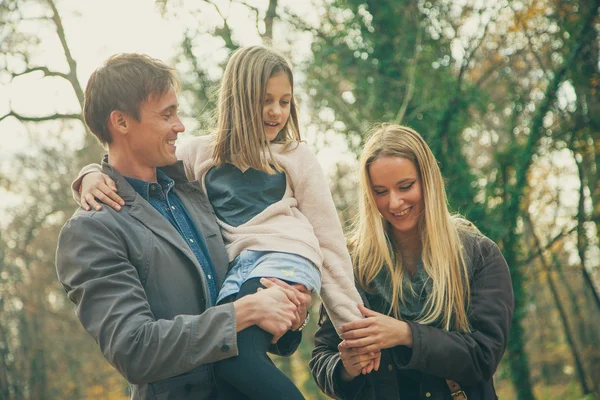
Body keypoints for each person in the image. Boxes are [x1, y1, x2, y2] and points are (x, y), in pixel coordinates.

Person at [72, 46, 366, 400]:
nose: (180, 126)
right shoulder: (96, 228)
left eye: (285, 102)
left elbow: (325, 246)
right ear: (120, 122)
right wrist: (90, 174)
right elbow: (134, 349)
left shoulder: (188, 194)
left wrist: (296, 313)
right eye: (167, 115)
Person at [309, 124, 515, 400]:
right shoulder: (352, 265)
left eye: (405, 186)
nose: (394, 203)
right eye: (380, 191)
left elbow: (483, 356)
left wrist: (405, 334)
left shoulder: (478, 254)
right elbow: (322, 358)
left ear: (428, 180)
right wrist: (345, 369)